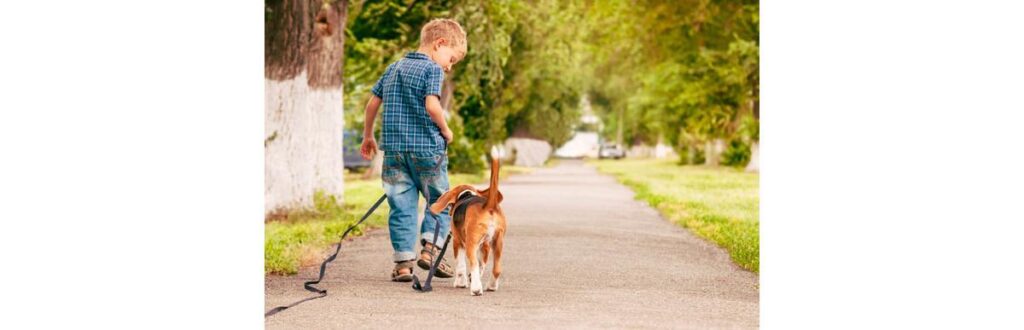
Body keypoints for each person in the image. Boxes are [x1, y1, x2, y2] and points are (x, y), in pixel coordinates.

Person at [359, 18, 467, 282]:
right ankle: (430, 251)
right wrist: (446, 130)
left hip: (394, 153)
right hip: (427, 151)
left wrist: (368, 136)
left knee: (401, 206)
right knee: (440, 202)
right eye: (451, 58)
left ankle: (403, 265)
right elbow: (432, 105)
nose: (449, 67)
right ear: (439, 44)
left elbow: (372, 104)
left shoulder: (393, 68)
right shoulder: (432, 70)